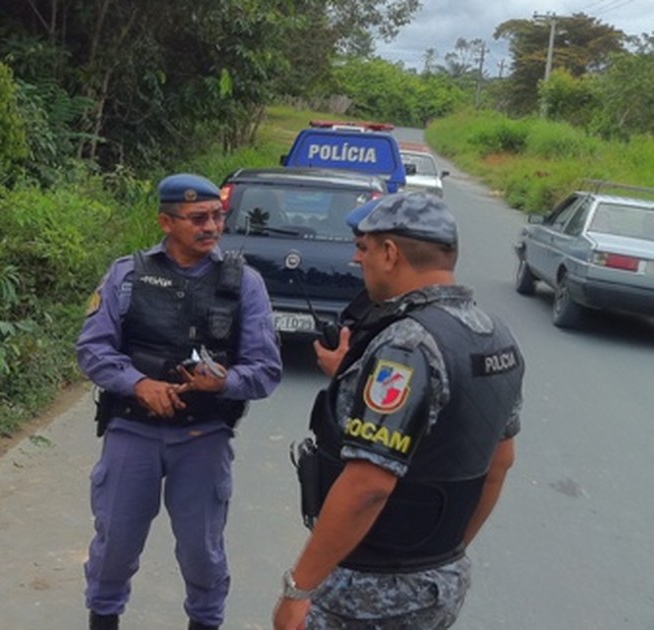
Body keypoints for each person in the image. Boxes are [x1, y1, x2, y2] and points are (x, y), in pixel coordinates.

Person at [274, 191, 525, 630]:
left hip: (369, 592)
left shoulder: (406, 345)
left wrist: (299, 589)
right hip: (440, 579)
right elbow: (499, 461)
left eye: (364, 248)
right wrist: (444, 554)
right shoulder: (493, 335)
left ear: (390, 253)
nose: (358, 260)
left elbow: (369, 484)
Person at [77, 173, 283, 630]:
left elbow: (266, 370)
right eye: (197, 219)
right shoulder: (126, 275)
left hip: (203, 437)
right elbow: (91, 349)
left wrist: (223, 382)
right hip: (132, 430)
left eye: (217, 217)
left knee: (202, 553)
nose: (211, 227)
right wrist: (138, 384)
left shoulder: (244, 284)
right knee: (114, 549)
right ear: (165, 222)